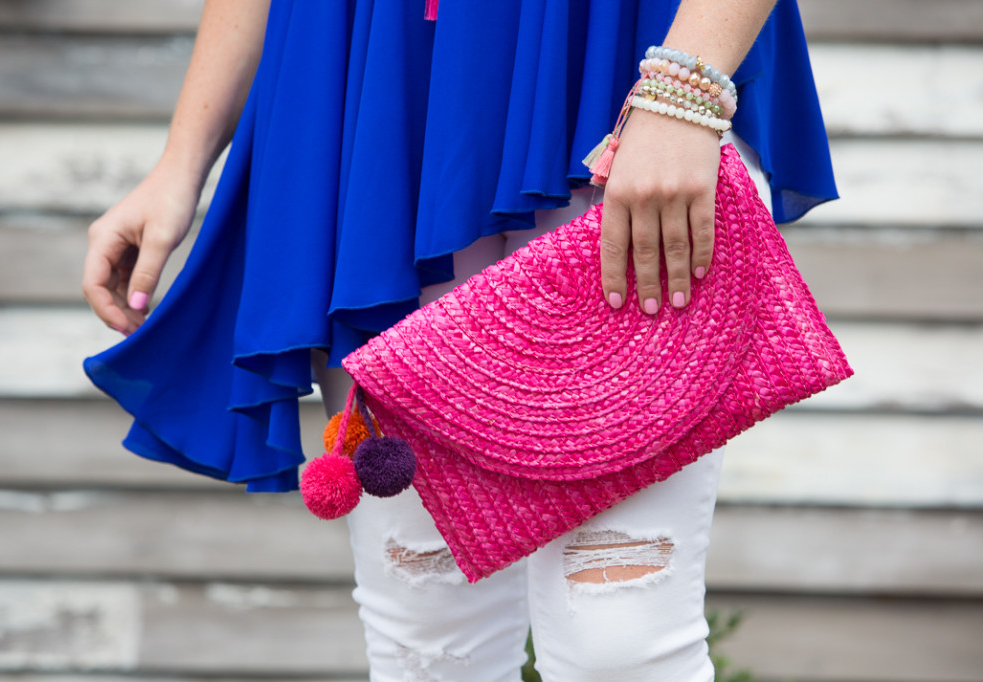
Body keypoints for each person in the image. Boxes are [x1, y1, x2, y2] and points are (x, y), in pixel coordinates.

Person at [82, 1, 837, 679]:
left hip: (618, 77)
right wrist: (181, 163)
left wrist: (685, 90)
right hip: (378, 111)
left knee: (622, 639)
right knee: (429, 645)